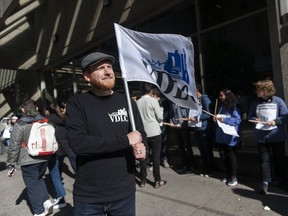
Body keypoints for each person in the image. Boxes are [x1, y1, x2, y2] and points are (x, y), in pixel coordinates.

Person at [65, 52, 147, 216]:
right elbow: (79, 144)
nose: (108, 71)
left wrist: (142, 148)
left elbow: (139, 134)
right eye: (101, 68)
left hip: (124, 193)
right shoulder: (77, 104)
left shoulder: (127, 103)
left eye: (109, 67)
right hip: (89, 196)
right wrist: (125, 141)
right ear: (87, 77)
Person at [6, 99, 54, 216]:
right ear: (36, 108)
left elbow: (14, 145)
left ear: (22, 110)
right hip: (44, 156)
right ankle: (46, 201)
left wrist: (11, 164)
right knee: (39, 179)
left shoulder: (20, 124)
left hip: (28, 158)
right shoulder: (45, 121)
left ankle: (38, 212)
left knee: (31, 186)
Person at [248, 79, 288, 195]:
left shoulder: (278, 101)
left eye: (258, 89)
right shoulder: (255, 102)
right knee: (264, 160)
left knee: (279, 159)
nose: (256, 91)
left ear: (266, 90)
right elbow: (250, 115)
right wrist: (255, 119)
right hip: (262, 137)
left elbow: (285, 116)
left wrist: (276, 121)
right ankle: (265, 182)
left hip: (276, 136)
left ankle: (282, 180)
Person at [136, 83, 167, 188]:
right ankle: (157, 180)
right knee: (156, 157)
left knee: (143, 157)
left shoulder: (137, 102)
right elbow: (160, 117)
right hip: (154, 131)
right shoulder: (153, 101)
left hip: (143, 132)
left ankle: (143, 180)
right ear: (150, 91)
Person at [213, 89, 241, 187]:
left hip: (230, 136)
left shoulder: (233, 107)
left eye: (221, 95)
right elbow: (219, 120)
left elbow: (237, 120)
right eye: (219, 96)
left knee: (231, 157)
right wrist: (215, 119)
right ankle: (228, 174)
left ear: (227, 96)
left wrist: (225, 119)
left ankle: (233, 176)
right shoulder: (220, 106)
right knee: (223, 156)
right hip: (221, 136)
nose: (220, 97)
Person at [45, 102, 68, 209]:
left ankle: (61, 198)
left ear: (48, 111)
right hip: (64, 150)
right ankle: (58, 194)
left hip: (54, 151)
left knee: (54, 175)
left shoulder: (48, 120)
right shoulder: (64, 119)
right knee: (57, 173)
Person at [190, 84, 214, 177]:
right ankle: (205, 167)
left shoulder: (205, 99)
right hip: (197, 127)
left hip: (204, 128)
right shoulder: (194, 100)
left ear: (197, 90)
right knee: (201, 149)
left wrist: (196, 118)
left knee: (207, 149)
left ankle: (210, 169)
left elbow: (208, 114)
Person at [170, 103, 194, 174]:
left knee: (187, 146)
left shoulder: (183, 103)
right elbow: (172, 114)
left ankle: (190, 165)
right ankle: (184, 163)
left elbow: (186, 115)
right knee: (181, 146)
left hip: (184, 127)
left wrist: (180, 123)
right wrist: (171, 122)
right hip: (176, 127)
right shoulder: (173, 103)